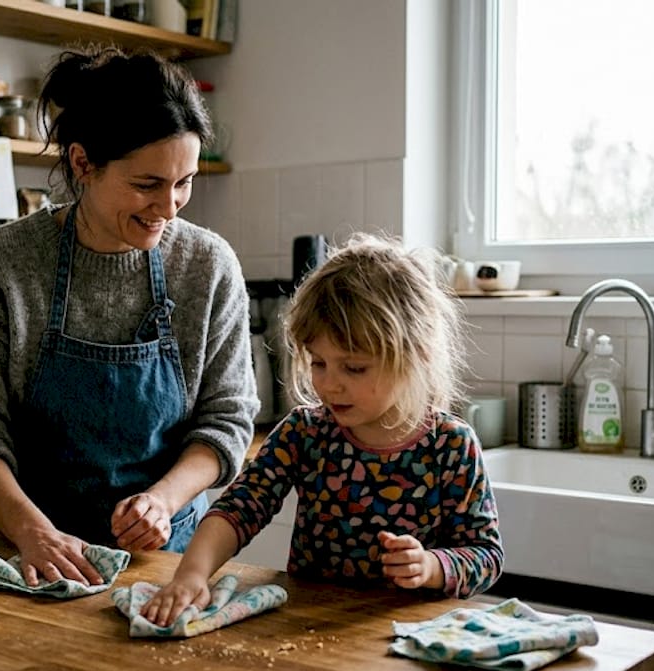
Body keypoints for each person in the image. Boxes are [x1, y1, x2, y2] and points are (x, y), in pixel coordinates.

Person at [0, 47, 258, 588]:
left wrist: (161, 500)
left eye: (185, 182)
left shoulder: (206, 265)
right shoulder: (3, 265)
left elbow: (226, 421)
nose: (170, 207)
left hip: (169, 566)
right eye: (147, 184)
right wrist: (32, 531)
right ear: (83, 164)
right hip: (33, 559)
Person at [141, 235, 504, 626]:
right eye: (318, 363)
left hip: (406, 639)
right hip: (311, 627)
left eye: (354, 367)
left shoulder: (451, 446)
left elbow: (485, 554)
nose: (329, 384)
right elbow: (239, 509)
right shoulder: (306, 433)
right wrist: (192, 574)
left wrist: (432, 565)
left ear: (416, 355)